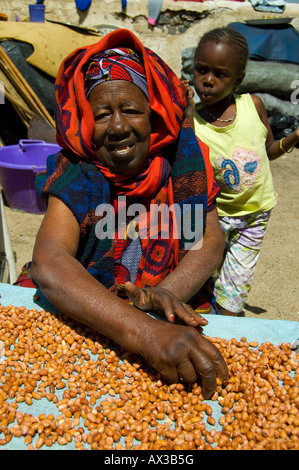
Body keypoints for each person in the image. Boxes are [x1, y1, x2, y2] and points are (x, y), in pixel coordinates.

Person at [30, 29, 229, 398]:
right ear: (87, 122)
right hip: (94, 312)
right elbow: (49, 261)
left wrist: (162, 294)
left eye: (132, 110)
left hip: (175, 308)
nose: (118, 127)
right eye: (102, 114)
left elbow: (210, 241)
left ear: (154, 114)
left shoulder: (185, 159)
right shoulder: (79, 171)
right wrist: (146, 332)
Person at [185, 27, 299, 317]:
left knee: (234, 289)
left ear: (238, 80)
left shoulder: (254, 106)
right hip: (212, 218)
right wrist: (185, 118)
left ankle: (230, 325)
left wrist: (292, 139)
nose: (207, 81)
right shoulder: (193, 121)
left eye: (219, 74)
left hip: (254, 215)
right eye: (201, 70)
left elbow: (268, 150)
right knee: (199, 279)